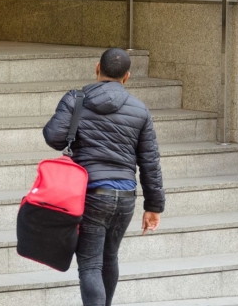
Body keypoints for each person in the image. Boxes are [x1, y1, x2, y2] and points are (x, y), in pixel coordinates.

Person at [42, 48, 165, 306]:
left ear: (97, 68)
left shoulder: (76, 99)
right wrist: (154, 206)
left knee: (89, 265)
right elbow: (150, 161)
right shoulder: (140, 110)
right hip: (125, 197)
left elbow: (54, 138)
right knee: (109, 258)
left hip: (91, 196)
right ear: (127, 77)